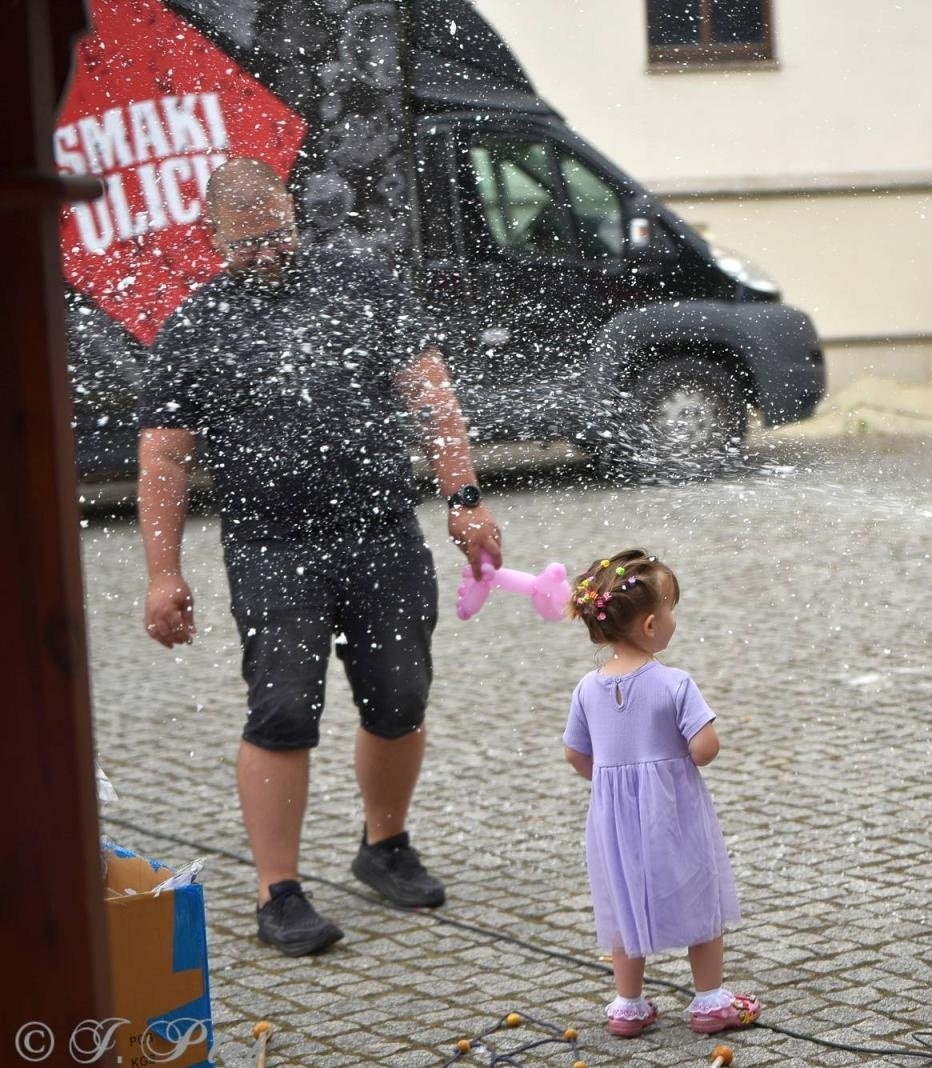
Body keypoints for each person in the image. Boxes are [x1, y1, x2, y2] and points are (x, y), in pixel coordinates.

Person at [138, 157, 502, 956]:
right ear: (215, 239)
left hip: (381, 534)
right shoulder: (196, 325)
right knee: (283, 710)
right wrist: (164, 573)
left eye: (276, 236)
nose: (266, 255)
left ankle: (385, 846)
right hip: (273, 549)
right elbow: (163, 459)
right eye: (247, 246)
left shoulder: (362, 286)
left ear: (292, 215)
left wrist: (465, 497)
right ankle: (281, 892)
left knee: (401, 695)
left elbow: (430, 392)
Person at [561, 550, 761, 1037]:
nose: (675, 617)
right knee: (698, 894)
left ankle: (628, 1006)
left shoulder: (588, 687)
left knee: (624, 904)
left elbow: (575, 755)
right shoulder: (674, 683)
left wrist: (613, 782)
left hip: (614, 817)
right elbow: (704, 748)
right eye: (672, 607)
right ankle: (710, 1001)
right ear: (651, 625)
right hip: (673, 812)